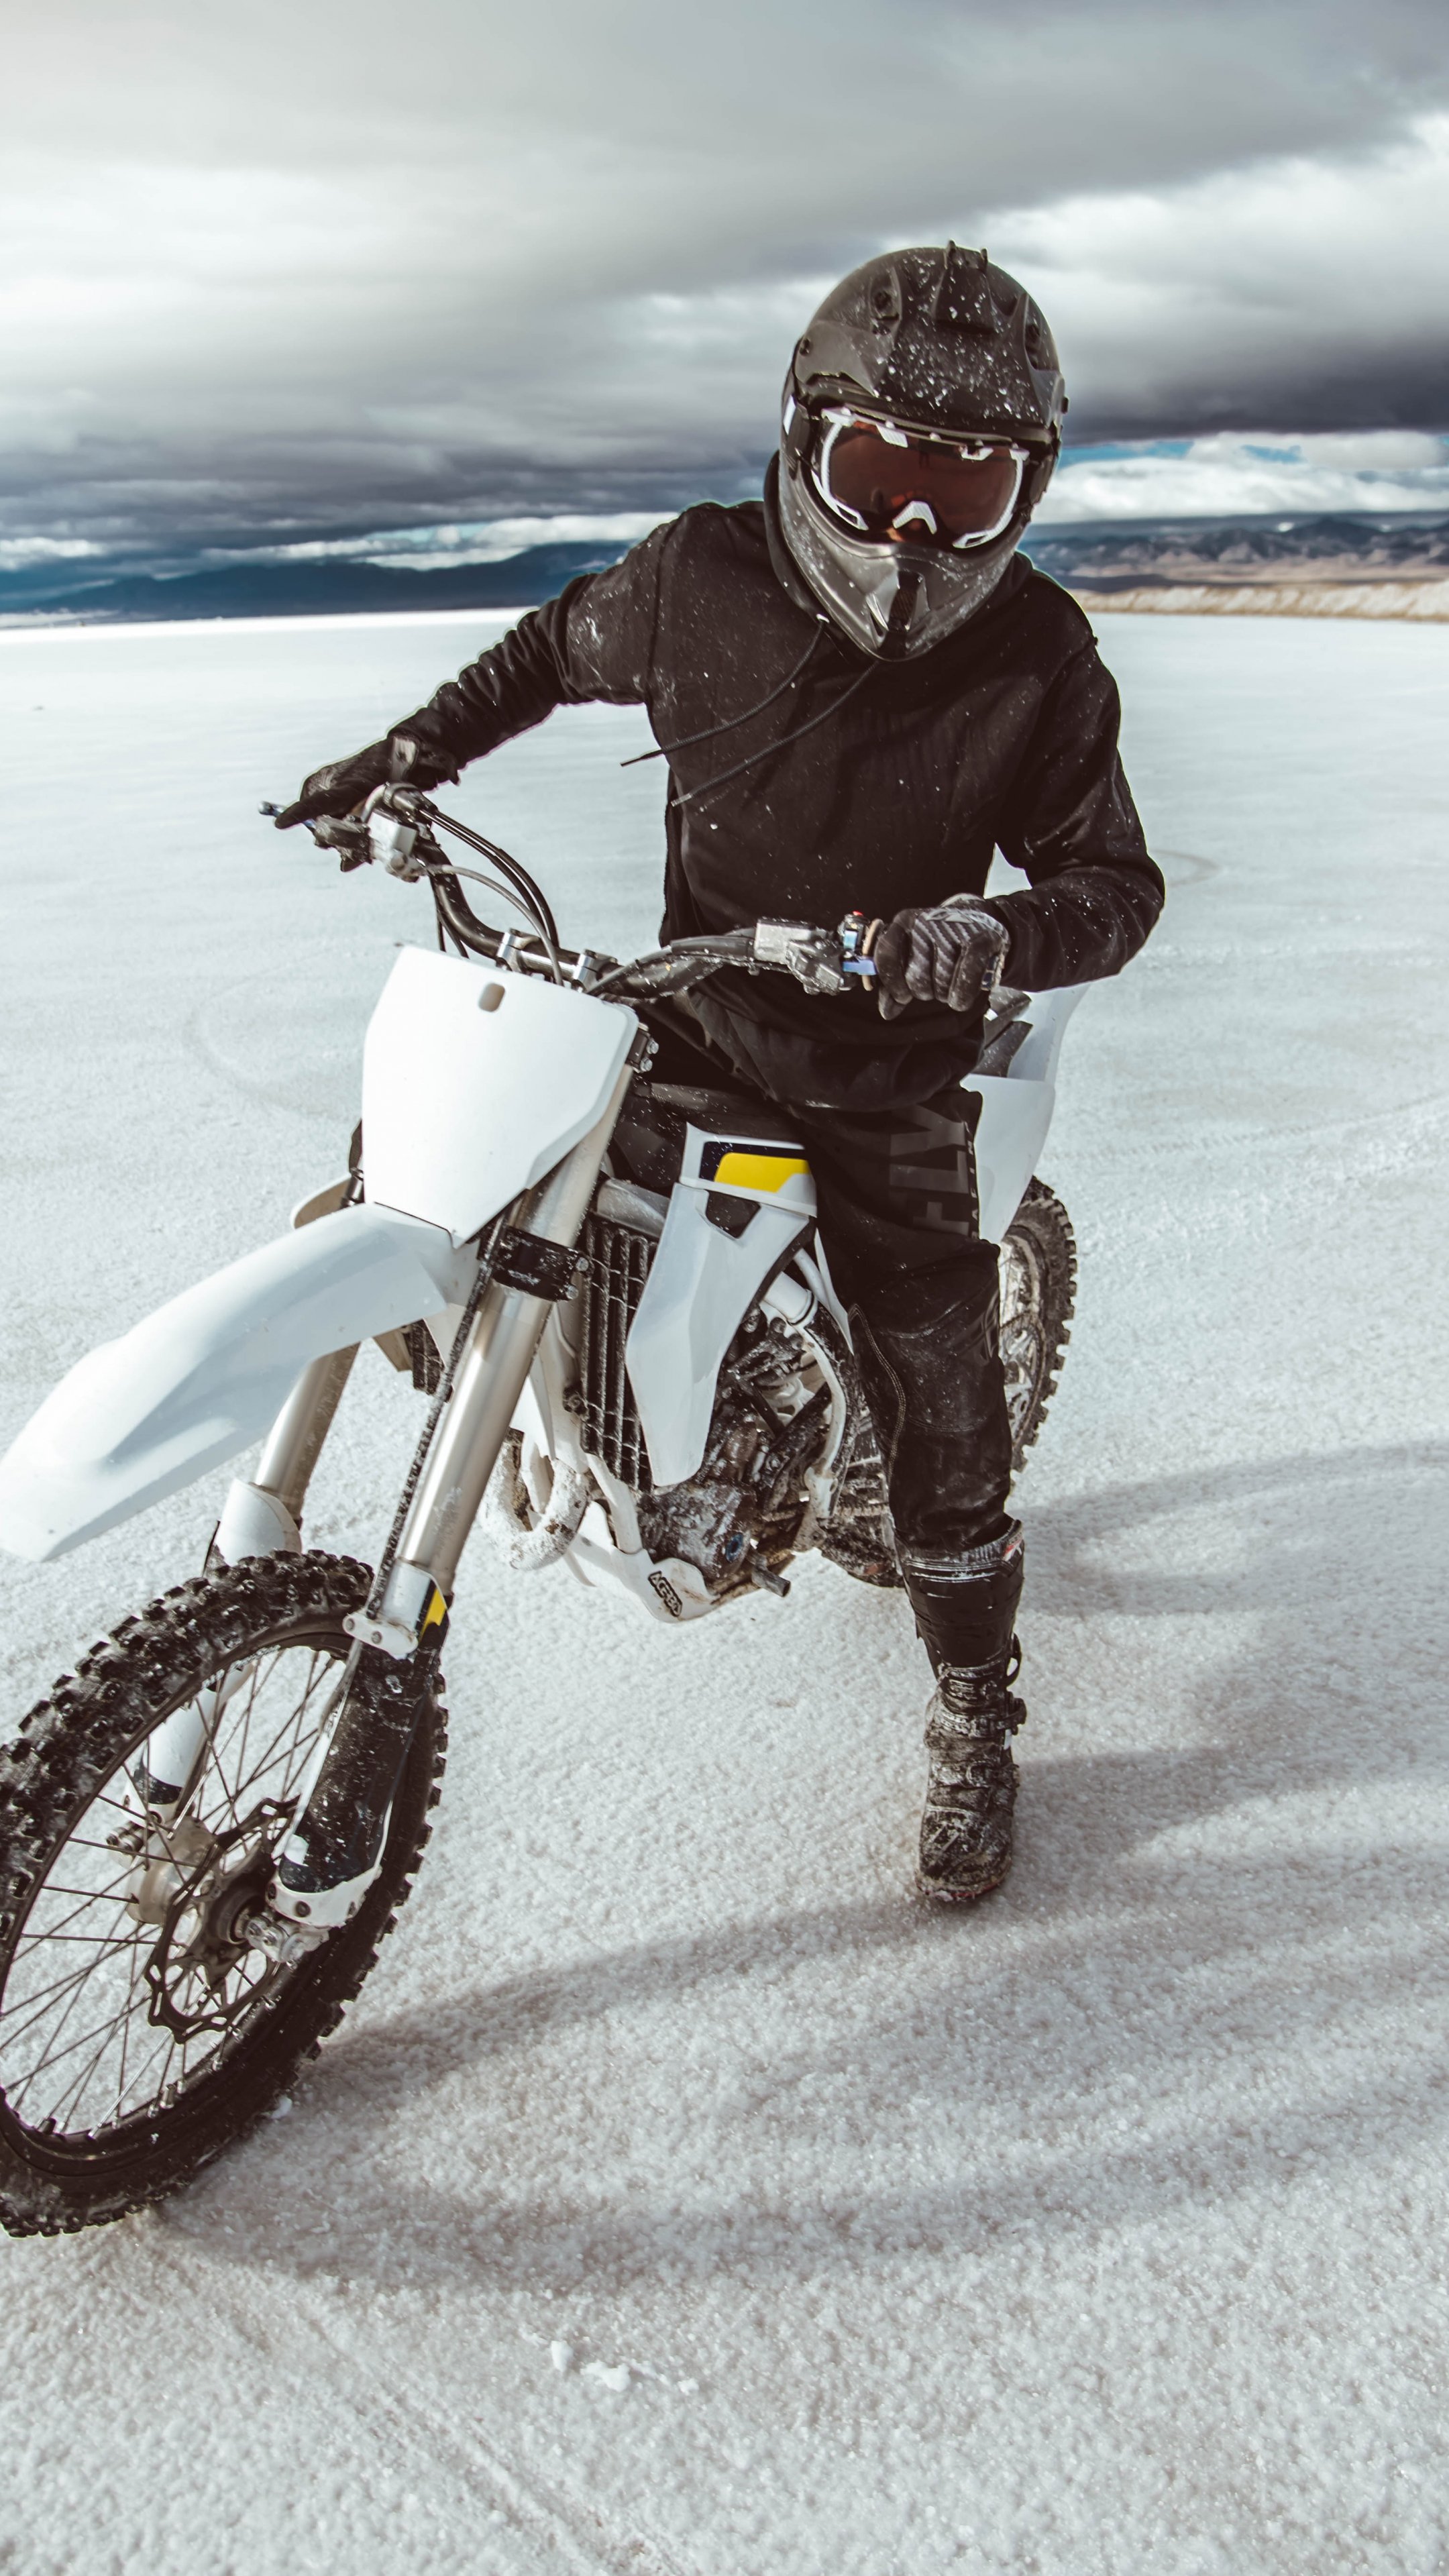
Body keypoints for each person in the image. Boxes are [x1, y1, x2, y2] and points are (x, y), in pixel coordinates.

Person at [276, 244, 1165, 1904]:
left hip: (888, 1067)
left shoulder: (1037, 653)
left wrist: (975, 936)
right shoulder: (703, 577)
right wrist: (411, 753)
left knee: (938, 1383)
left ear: (1025, 491)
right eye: (881, 473)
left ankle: (977, 1704)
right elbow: (549, 652)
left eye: (966, 487)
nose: (915, 528)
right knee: (454, 1176)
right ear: (807, 440)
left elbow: (1114, 886)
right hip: (689, 1009)